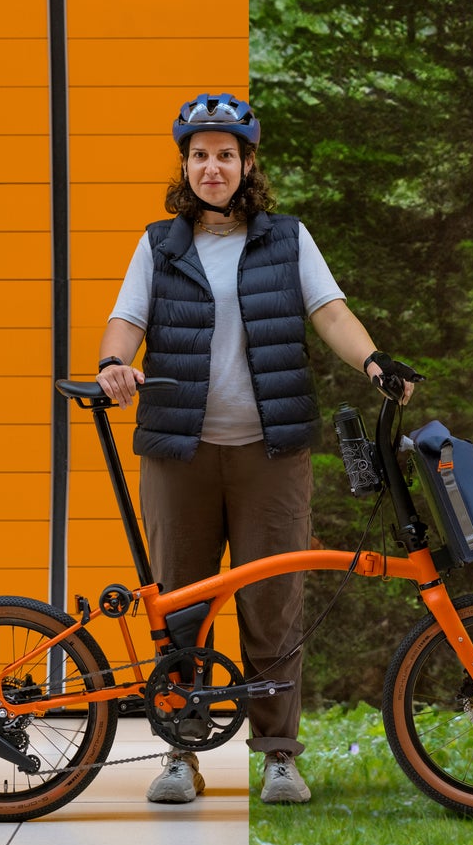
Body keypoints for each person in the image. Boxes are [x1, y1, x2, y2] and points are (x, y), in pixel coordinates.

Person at [95, 92, 418, 806]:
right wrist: (113, 364)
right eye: (201, 154)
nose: (213, 167)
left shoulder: (287, 240)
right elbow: (125, 321)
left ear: (248, 165)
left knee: (273, 601)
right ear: (186, 164)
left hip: (271, 451)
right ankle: (182, 752)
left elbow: (329, 311)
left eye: (227, 155)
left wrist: (375, 364)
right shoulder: (159, 244)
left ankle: (277, 755)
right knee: (180, 603)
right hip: (180, 450)